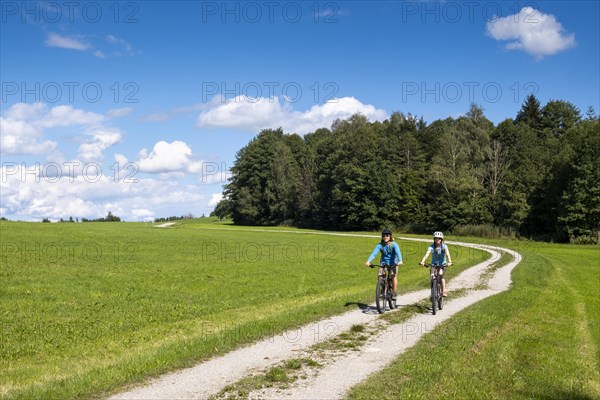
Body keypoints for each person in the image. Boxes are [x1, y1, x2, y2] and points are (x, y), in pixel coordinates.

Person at [365, 228, 403, 300]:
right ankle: (383, 288)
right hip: (383, 263)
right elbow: (374, 254)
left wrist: (400, 261)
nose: (385, 237)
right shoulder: (379, 245)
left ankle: (394, 292)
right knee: (380, 276)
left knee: (393, 276)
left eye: (387, 236)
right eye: (384, 236)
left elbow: (398, 253)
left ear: (390, 236)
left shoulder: (394, 245)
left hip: (393, 263)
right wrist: (368, 261)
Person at [419, 231, 453, 296]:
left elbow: (448, 255)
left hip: (442, 264)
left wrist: (450, 262)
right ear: (434, 239)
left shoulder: (444, 246)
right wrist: (422, 261)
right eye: (436, 238)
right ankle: (433, 293)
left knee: (441, 275)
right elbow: (427, 254)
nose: (437, 240)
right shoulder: (431, 246)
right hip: (433, 264)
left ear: (441, 240)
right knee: (432, 276)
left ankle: (443, 291)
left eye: (439, 238)